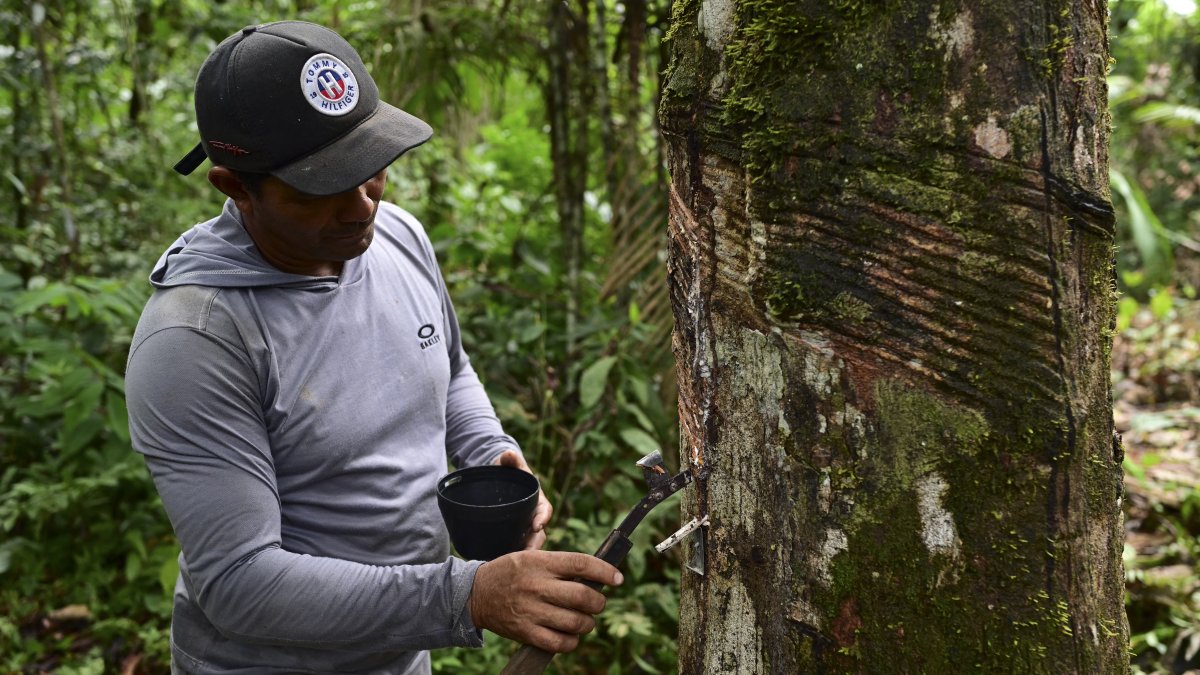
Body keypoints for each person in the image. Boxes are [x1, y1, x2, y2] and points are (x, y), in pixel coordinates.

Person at [125, 21, 620, 674]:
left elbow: (448, 366)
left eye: (370, 170)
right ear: (236, 187)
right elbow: (239, 582)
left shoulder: (398, 237)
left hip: (397, 654)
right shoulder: (196, 338)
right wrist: (465, 594)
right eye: (320, 188)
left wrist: (488, 450)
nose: (362, 207)